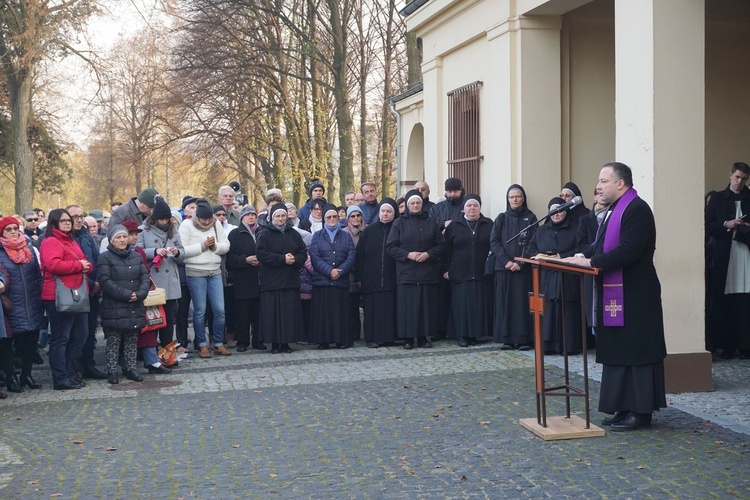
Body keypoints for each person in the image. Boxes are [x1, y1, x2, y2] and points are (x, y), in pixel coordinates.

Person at [565, 162, 667, 431]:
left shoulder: (637, 209)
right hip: (616, 289)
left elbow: (629, 251)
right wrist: (575, 256)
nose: (598, 186)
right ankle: (623, 407)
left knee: (636, 349)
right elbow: (597, 246)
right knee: (619, 348)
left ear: (620, 183)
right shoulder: (611, 211)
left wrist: (590, 263)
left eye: (603, 181)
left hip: (636, 293)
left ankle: (640, 411)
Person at [39, 209, 93, 390]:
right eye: (63, 221)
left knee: (80, 335)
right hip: (58, 295)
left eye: (69, 220)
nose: (68, 223)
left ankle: (70, 373)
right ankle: (60, 378)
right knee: (61, 338)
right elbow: (53, 265)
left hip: (76, 294)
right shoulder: (51, 241)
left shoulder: (71, 240)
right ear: (54, 223)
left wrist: (85, 265)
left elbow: (87, 262)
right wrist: (79, 265)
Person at [386, 189, 446, 349]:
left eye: (418, 203)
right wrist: (408, 255)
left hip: (427, 272)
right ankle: (407, 338)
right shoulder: (399, 223)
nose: (415, 205)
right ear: (407, 205)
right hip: (406, 272)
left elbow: (441, 245)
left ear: (422, 204)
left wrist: (428, 254)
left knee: (426, 307)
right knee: (407, 307)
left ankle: (423, 337)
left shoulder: (431, 222)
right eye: (412, 203)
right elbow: (390, 247)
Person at [705, 161, 750, 359]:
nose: (740, 182)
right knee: (724, 302)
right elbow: (708, 225)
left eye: (744, 179)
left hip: (746, 253)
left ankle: (745, 345)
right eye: (737, 177)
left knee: (744, 301)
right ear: (730, 175)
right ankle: (727, 345)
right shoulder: (716, 198)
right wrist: (727, 224)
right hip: (724, 254)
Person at [528, 197, 582, 355]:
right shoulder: (541, 230)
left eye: (560, 210)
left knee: (566, 311)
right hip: (546, 277)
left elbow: (580, 248)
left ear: (566, 211)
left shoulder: (576, 228)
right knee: (548, 309)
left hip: (567, 276)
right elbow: (531, 246)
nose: (556, 214)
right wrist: (539, 255)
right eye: (553, 211)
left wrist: (563, 257)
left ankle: (567, 346)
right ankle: (547, 346)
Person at [97, 224, 150, 384]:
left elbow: (144, 277)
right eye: (118, 237)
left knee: (131, 339)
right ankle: (112, 370)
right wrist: (127, 294)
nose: (122, 240)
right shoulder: (104, 258)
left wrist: (140, 293)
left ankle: (131, 368)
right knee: (114, 340)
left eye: (124, 237)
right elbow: (105, 282)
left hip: (135, 304)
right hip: (114, 305)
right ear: (111, 240)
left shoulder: (136, 256)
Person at [179, 198, 231, 358]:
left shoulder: (216, 224)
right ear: (197, 217)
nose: (207, 222)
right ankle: (202, 344)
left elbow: (226, 245)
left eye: (209, 219)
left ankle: (218, 343)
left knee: (220, 310)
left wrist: (215, 246)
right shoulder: (186, 225)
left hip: (214, 271)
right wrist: (202, 246)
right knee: (200, 311)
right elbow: (182, 250)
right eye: (204, 219)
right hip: (195, 271)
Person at [0, 217, 45, 391]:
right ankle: (11, 376)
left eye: (15, 228)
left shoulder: (29, 250)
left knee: (31, 340)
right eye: (8, 229)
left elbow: (37, 273)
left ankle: (26, 374)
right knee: (7, 343)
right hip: (9, 304)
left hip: (32, 301)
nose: (13, 231)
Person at [442, 195, 493, 347]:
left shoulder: (488, 224)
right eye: (469, 206)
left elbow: (494, 246)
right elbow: (446, 249)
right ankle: (462, 336)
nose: (472, 208)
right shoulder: (454, 225)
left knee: (478, 304)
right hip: (459, 272)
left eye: (475, 206)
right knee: (461, 305)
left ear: (480, 208)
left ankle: (476, 334)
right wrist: (446, 269)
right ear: (463, 208)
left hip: (481, 272)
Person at [490, 185, 537, 350]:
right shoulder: (501, 218)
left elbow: (532, 243)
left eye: (518, 196)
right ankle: (507, 339)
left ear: (523, 198)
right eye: (512, 197)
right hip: (504, 268)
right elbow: (494, 242)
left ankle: (523, 339)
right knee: (505, 303)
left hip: (522, 270)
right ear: (508, 199)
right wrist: (506, 262)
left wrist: (521, 262)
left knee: (521, 304)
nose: (515, 200)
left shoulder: (531, 218)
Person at [256, 204, 307, 353]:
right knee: (272, 314)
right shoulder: (265, 234)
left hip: (289, 280)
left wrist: (294, 259)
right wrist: (281, 259)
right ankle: (275, 344)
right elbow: (261, 254)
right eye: (277, 216)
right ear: (272, 218)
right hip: (271, 281)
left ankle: (286, 342)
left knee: (288, 314)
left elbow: (303, 253)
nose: (280, 219)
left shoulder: (294, 234)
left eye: (283, 216)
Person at [137, 196, 184, 351]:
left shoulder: (174, 231)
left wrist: (177, 253)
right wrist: (155, 251)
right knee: (154, 318)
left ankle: (167, 351)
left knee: (169, 319)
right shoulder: (143, 231)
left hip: (170, 280)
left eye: (166, 219)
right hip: (154, 281)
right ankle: (151, 352)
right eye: (161, 219)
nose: (164, 222)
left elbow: (183, 253)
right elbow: (138, 251)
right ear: (154, 218)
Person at [67, 204, 107, 381]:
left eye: (80, 215)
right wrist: (91, 284)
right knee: (75, 332)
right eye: (74, 216)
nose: (78, 219)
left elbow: (96, 258)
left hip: (93, 289)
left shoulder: (85, 234)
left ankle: (88, 363)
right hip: (76, 291)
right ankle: (74, 366)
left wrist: (98, 282)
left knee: (90, 329)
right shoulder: (64, 237)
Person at [309, 205, 356, 349]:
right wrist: (329, 271)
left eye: (334, 217)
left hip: (340, 281)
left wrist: (340, 272)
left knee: (340, 313)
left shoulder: (346, 236)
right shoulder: (317, 236)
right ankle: (324, 340)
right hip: (323, 281)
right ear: (324, 219)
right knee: (324, 313)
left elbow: (351, 256)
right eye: (328, 217)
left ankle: (341, 340)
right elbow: (314, 256)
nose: (332, 219)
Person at [354, 199, 399, 347]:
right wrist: (358, 277)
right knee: (372, 310)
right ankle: (372, 338)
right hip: (371, 278)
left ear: (394, 213)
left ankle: (389, 337)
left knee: (390, 308)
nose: (385, 214)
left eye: (389, 211)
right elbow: (360, 255)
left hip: (391, 277)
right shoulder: (369, 231)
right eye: (383, 211)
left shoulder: (398, 229)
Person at [227, 205, 265, 352]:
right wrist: (245, 260)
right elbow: (230, 259)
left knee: (258, 313)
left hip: (261, 279)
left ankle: (258, 340)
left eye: (253, 214)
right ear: (241, 217)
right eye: (247, 214)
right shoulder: (235, 234)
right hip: (243, 279)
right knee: (243, 313)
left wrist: (262, 259)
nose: (251, 217)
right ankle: (242, 341)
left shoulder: (263, 232)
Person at [342, 205, 367, 340]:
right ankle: (354, 333)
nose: (356, 218)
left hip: (367, 273)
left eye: (358, 215)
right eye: (352, 216)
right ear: (348, 218)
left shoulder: (369, 230)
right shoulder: (344, 233)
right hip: (350, 273)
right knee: (352, 306)